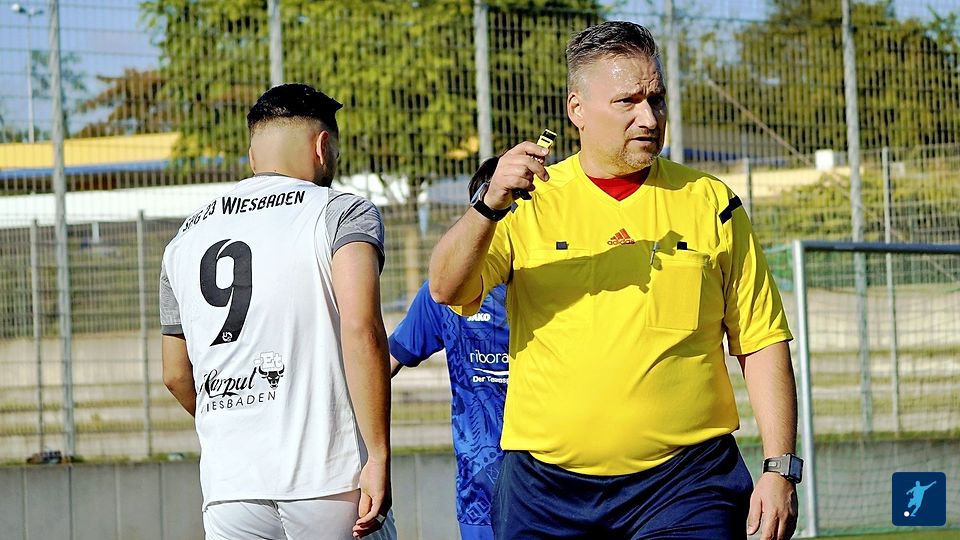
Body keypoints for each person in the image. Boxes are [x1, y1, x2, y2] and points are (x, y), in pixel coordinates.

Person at [428, 21, 800, 540]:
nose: (649, 117)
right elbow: (446, 288)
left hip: (687, 484)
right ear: (576, 109)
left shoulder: (711, 202)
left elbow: (760, 339)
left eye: (656, 99)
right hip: (544, 492)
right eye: (628, 101)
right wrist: (487, 205)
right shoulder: (527, 199)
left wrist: (780, 468)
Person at [159, 83, 394, 540]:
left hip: (230, 488)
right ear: (322, 147)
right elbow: (361, 327)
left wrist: (236, 425)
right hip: (328, 478)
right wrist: (379, 455)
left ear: (253, 157)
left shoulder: (184, 240)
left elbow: (174, 374)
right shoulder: (341, 212)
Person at [389, 156, 508, 540]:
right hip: (481, 493)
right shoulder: (444, 292)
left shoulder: (561, 288)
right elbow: (386, 360)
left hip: (559, 487)